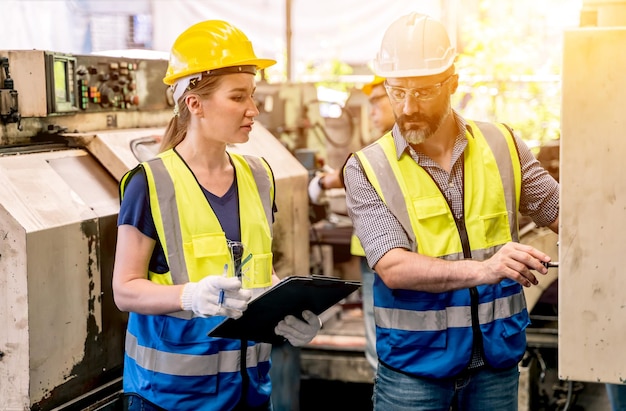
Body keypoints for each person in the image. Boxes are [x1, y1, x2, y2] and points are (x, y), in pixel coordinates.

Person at [342, 12, 559, 411]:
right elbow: (393, 267)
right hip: (415, 370)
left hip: (496, 364)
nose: (407, 107)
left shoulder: (503, 144)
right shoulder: (368, 167)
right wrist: (488, 269)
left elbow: (567, 213)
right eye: (397, 91)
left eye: (423, 92)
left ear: (453, 83)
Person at [112, 20, 321, 411]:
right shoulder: (151, 183)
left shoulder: (258, 175)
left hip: (249, 391)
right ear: (195, 103)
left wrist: (290, 316)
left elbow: (261, 271)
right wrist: (189, 295)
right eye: (238, 97)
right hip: (170, 398)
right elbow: (125, 290)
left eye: (252, 95)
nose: (253, 109)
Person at [307, 75, 395, 373]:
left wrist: (321, 182)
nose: (371, 111)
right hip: (383, 253)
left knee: (382, 338)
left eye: (376, 102)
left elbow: (356, 169)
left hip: (381, 254)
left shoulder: (392, 145)